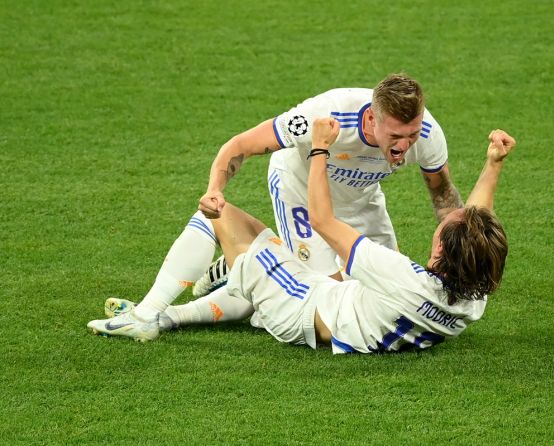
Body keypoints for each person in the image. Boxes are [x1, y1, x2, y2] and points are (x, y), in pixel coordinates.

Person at [88, 127, 515, 353]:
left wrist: (319, 151)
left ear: (441, 249)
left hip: (301, 306)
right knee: (266, 257)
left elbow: (322, 219)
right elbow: (476, 228)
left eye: (443, 228)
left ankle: (146, 314)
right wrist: (492, 164)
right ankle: (174, 316)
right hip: (341, 304)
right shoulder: (472, 296)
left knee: (221, 215)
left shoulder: (400, 276)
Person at [92, 73, 463, 329]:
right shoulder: (325, 114)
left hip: (361, 204)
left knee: (385, 297)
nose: (405, 145)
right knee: (325, 298)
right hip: (299, 190)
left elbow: (443, 195)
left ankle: (228, 275)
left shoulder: (427, 135)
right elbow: (240, 146)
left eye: (412, 134)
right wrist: (214, 190)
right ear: (373, 120)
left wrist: (462, 254)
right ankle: (202, 292)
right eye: (397, 135)